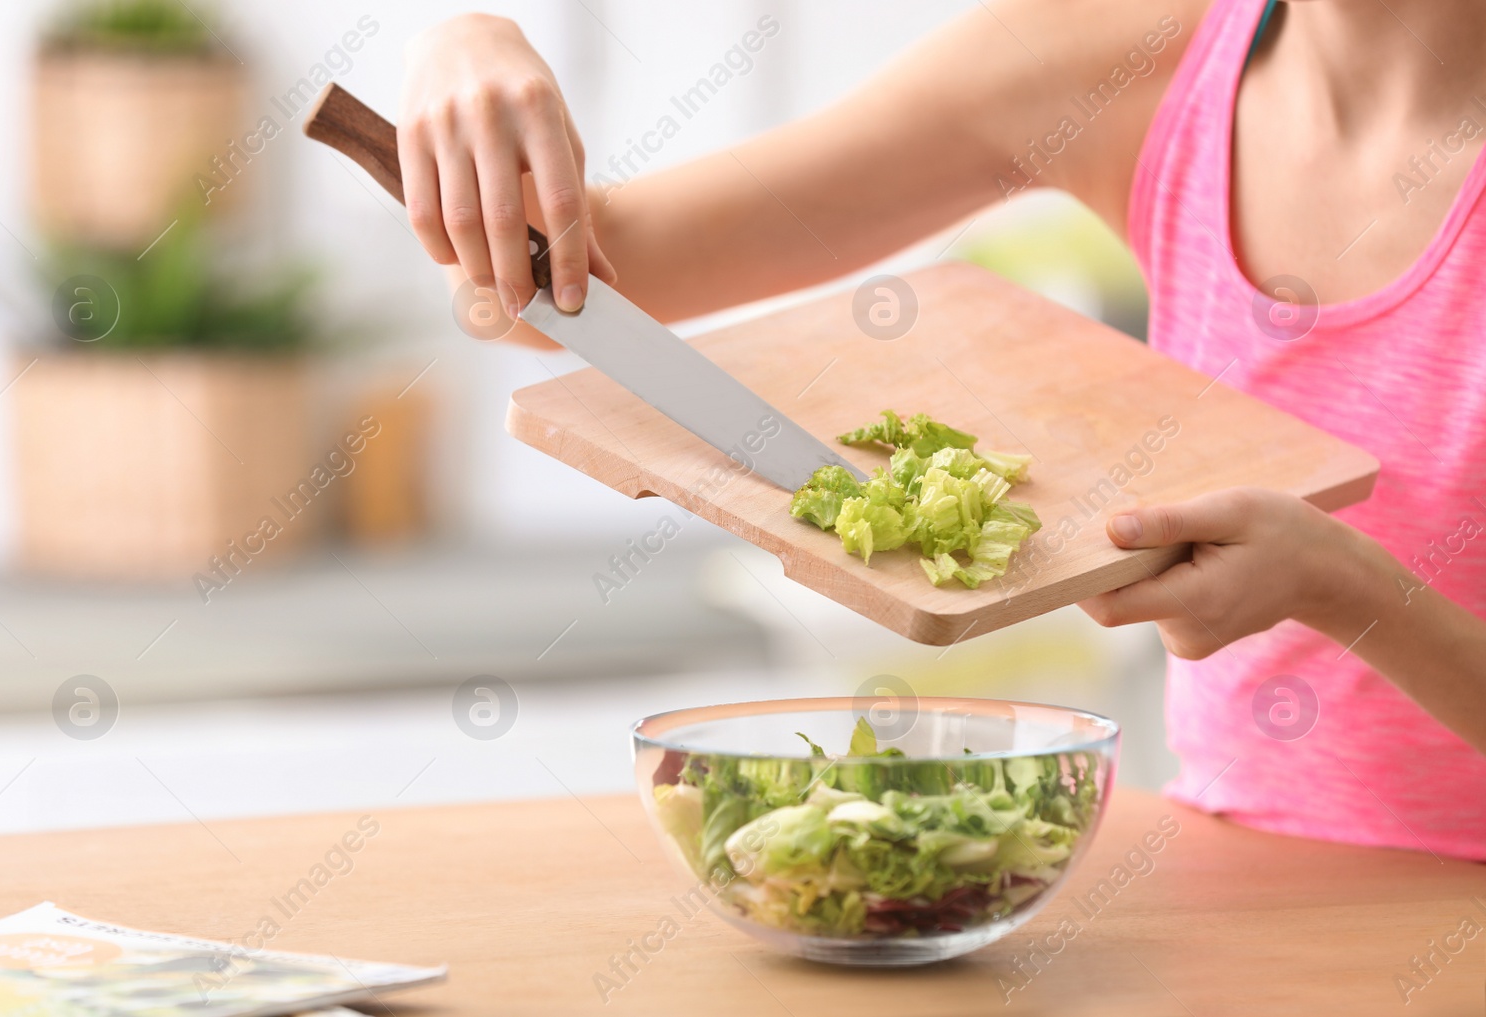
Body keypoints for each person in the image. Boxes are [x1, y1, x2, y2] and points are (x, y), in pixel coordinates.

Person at [395, 0, 1486, 859]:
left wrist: (1346, 589)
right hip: (1241, 899)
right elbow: (541, 301)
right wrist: (465, 54)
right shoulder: (1123, 56)